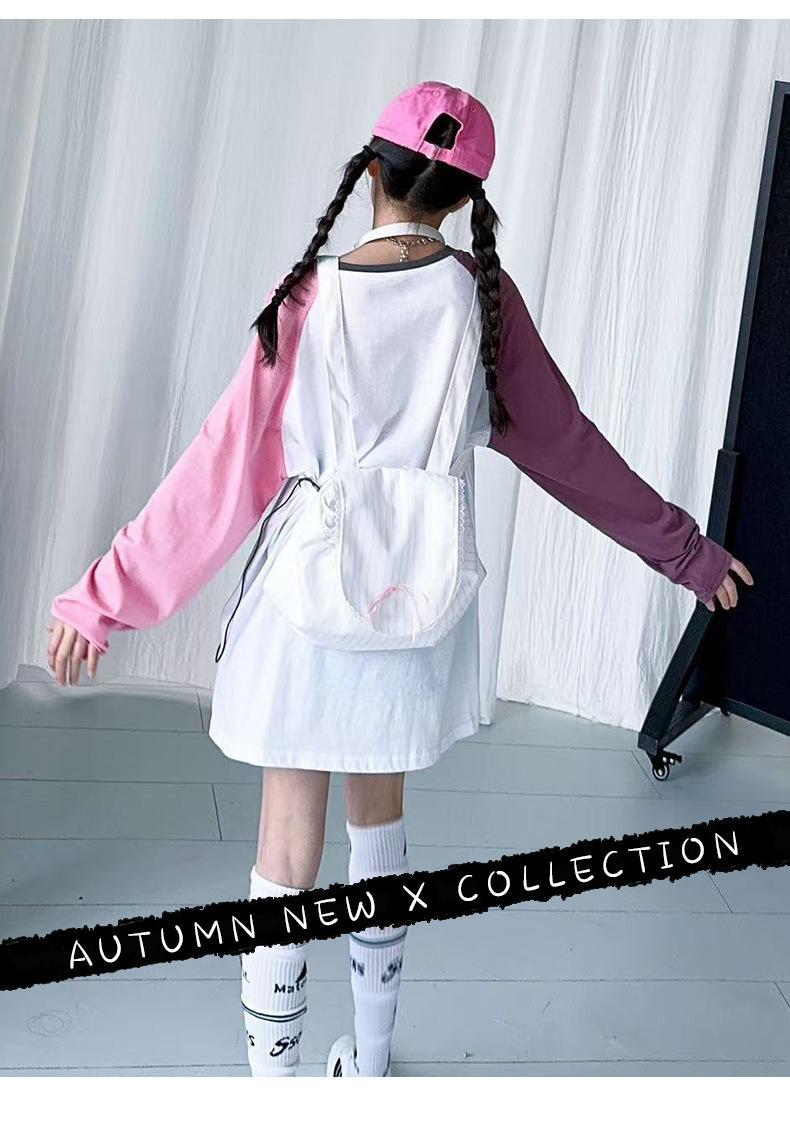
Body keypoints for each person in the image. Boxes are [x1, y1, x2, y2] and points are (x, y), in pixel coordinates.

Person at [46, 80, 752, 1078]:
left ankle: (275, 1085)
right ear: (465, 199)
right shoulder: (482, 304)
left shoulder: (309, 298)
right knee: (379, 824)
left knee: (284, 846)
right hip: (414, 610)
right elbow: (573, 452)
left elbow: (219, 473)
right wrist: (687, 552)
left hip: (305, 606)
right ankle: (371, 1061)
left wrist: (102, 598)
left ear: (371, 170)